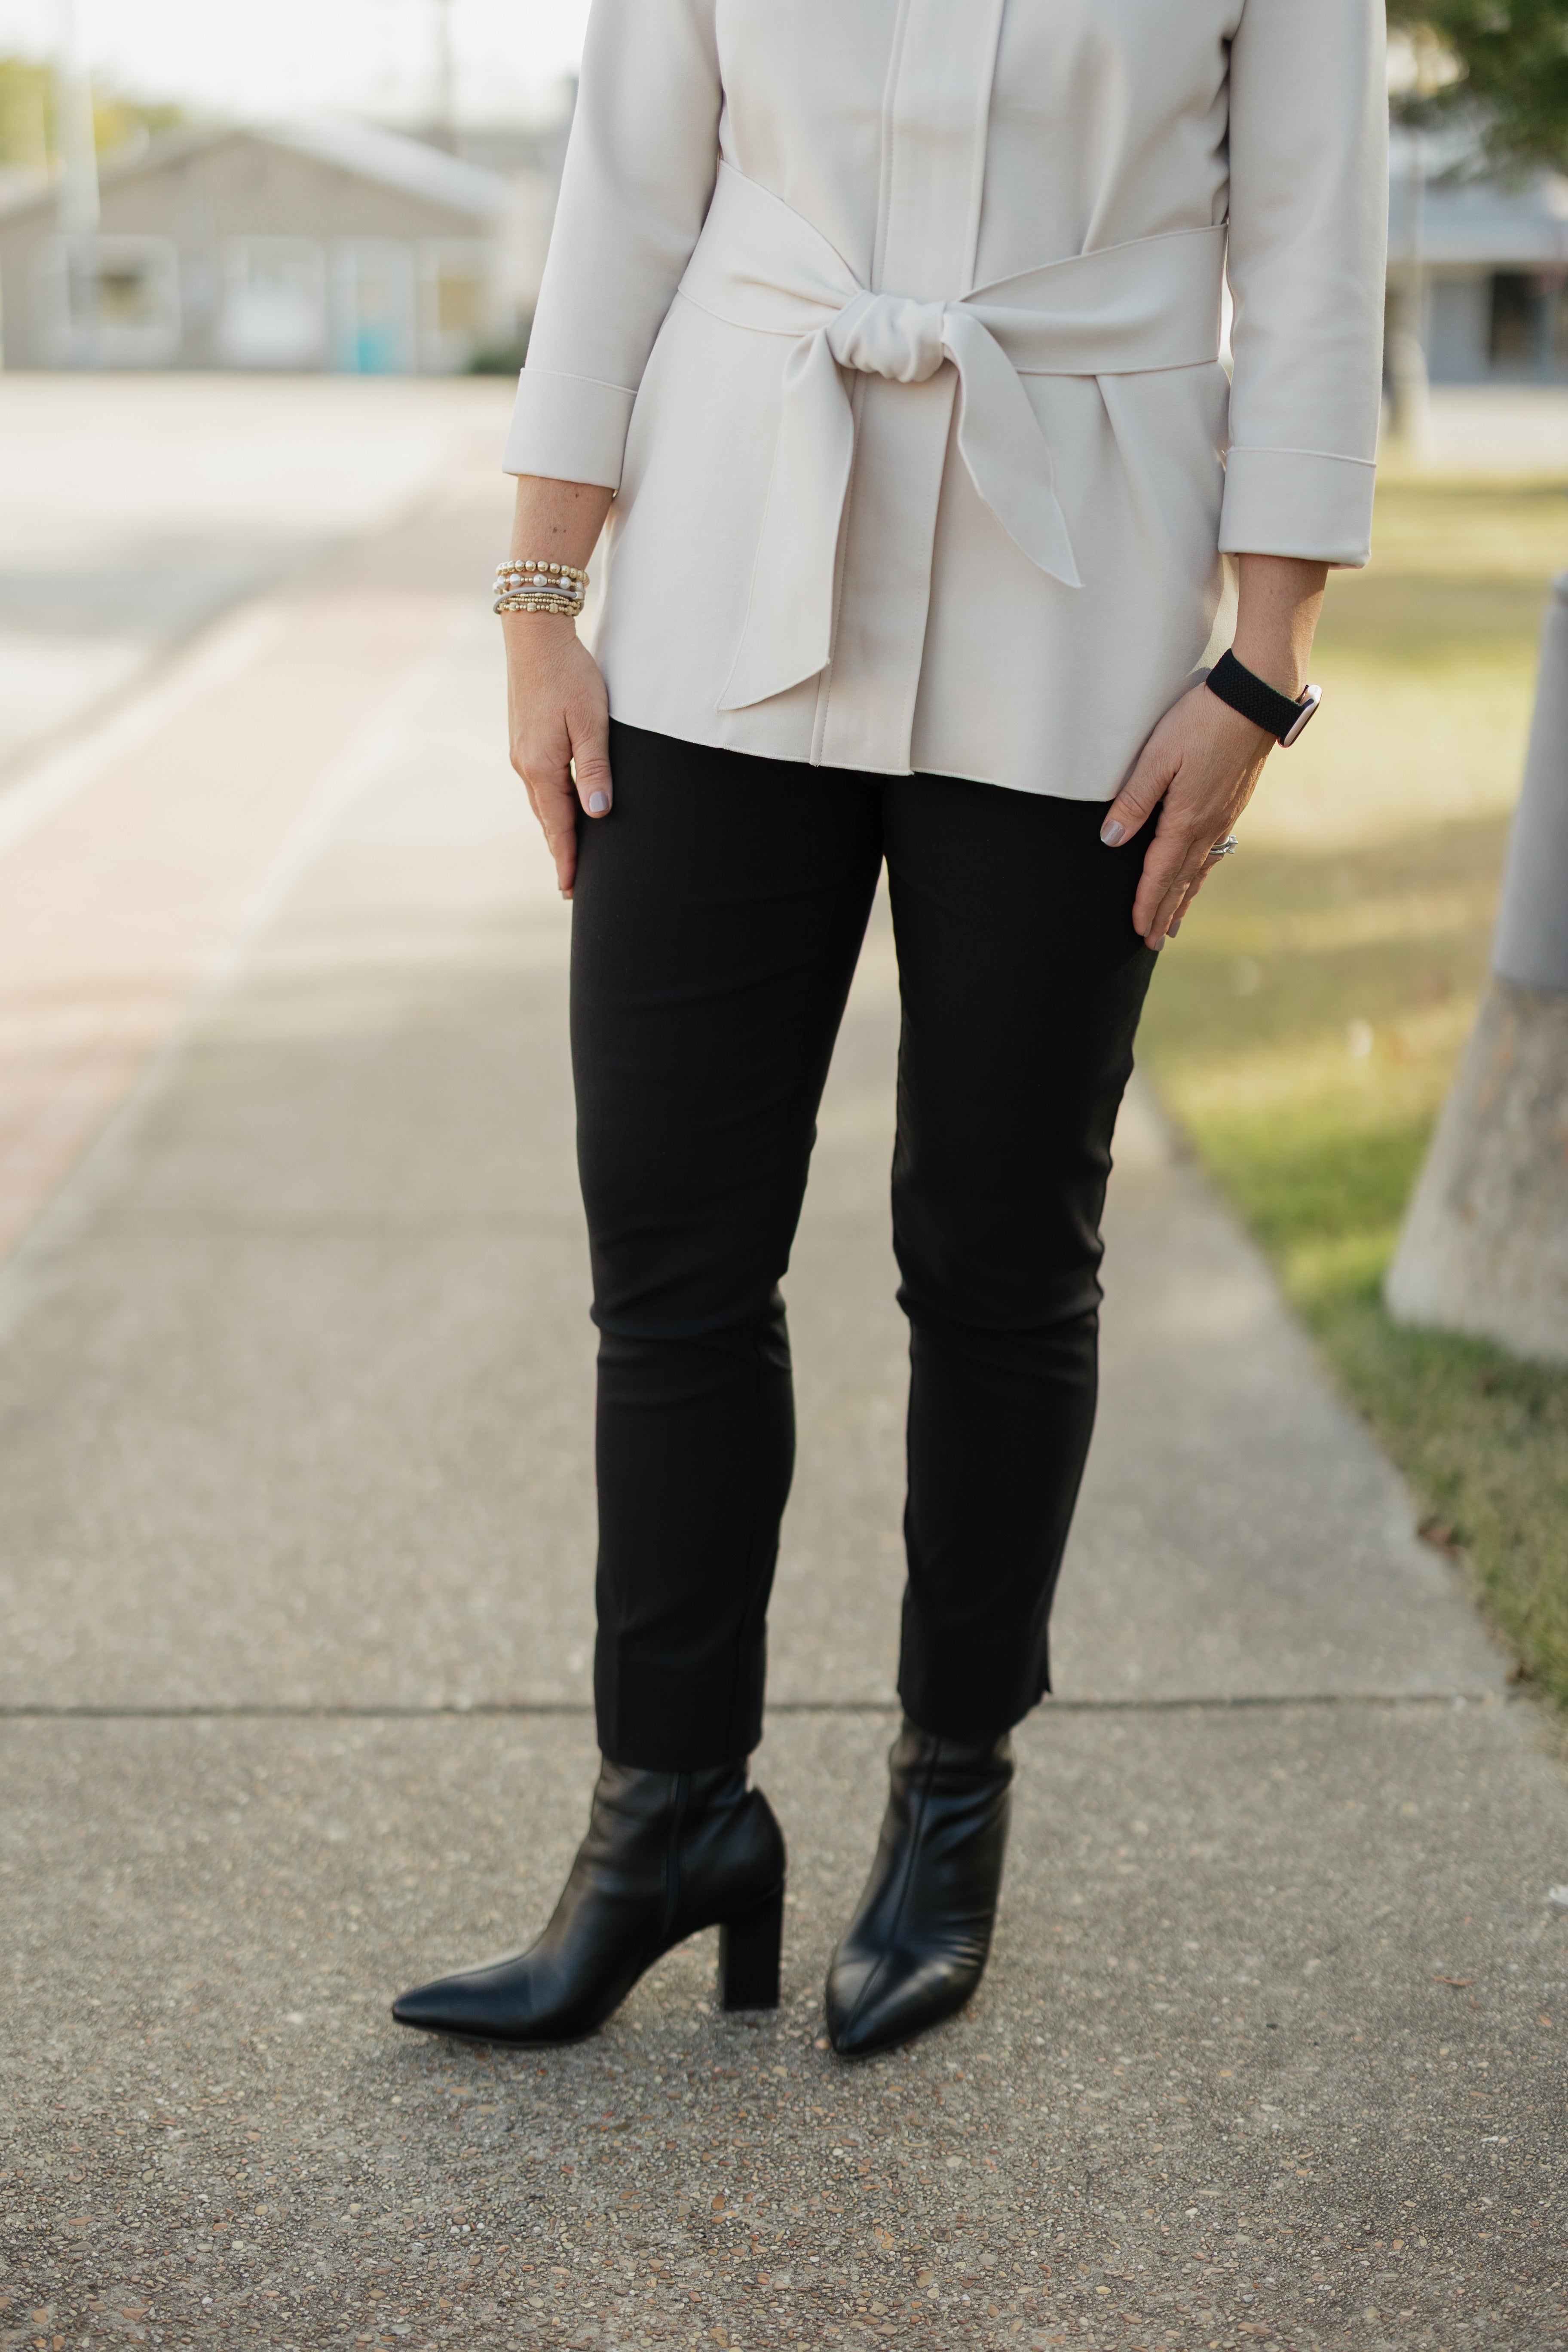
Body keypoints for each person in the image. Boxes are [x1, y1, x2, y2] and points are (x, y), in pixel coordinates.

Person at [394, 0, 1387, 2058]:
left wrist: (1264, 667)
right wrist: (538, 603)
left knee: (1000, 1243)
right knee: (669, 1237)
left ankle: (951, 1800)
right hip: (724, 585)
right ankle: (668, 1814)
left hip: (1077, 605)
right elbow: (626, 191)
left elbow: (1312, 245)